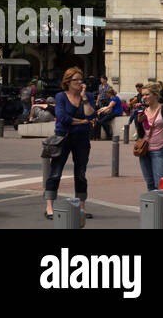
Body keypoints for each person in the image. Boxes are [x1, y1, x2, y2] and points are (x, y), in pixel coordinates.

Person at [45, 68, 113, 220]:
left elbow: (91, 114)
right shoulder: (61, 96)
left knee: (81, 174)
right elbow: (62, 118)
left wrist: (85, 99)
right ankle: (49, 207)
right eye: (76, 80)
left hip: (82, 138)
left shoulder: (87, 96)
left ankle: (81, 207)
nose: (79, 82)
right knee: (55, 173)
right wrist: (82, 121)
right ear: (67, 82)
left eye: (81, 79)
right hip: (63, 137)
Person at [131, 87, 163, 193]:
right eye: (143, 95)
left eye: (147, 94)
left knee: (160, 185)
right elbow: (140, 131)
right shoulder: (143, 110)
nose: (144, 97)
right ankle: (153, 208)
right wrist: (138, 120)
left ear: (155, 95)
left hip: (159, 150)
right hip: (144, 150)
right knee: (150, 183)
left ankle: (160, 208)